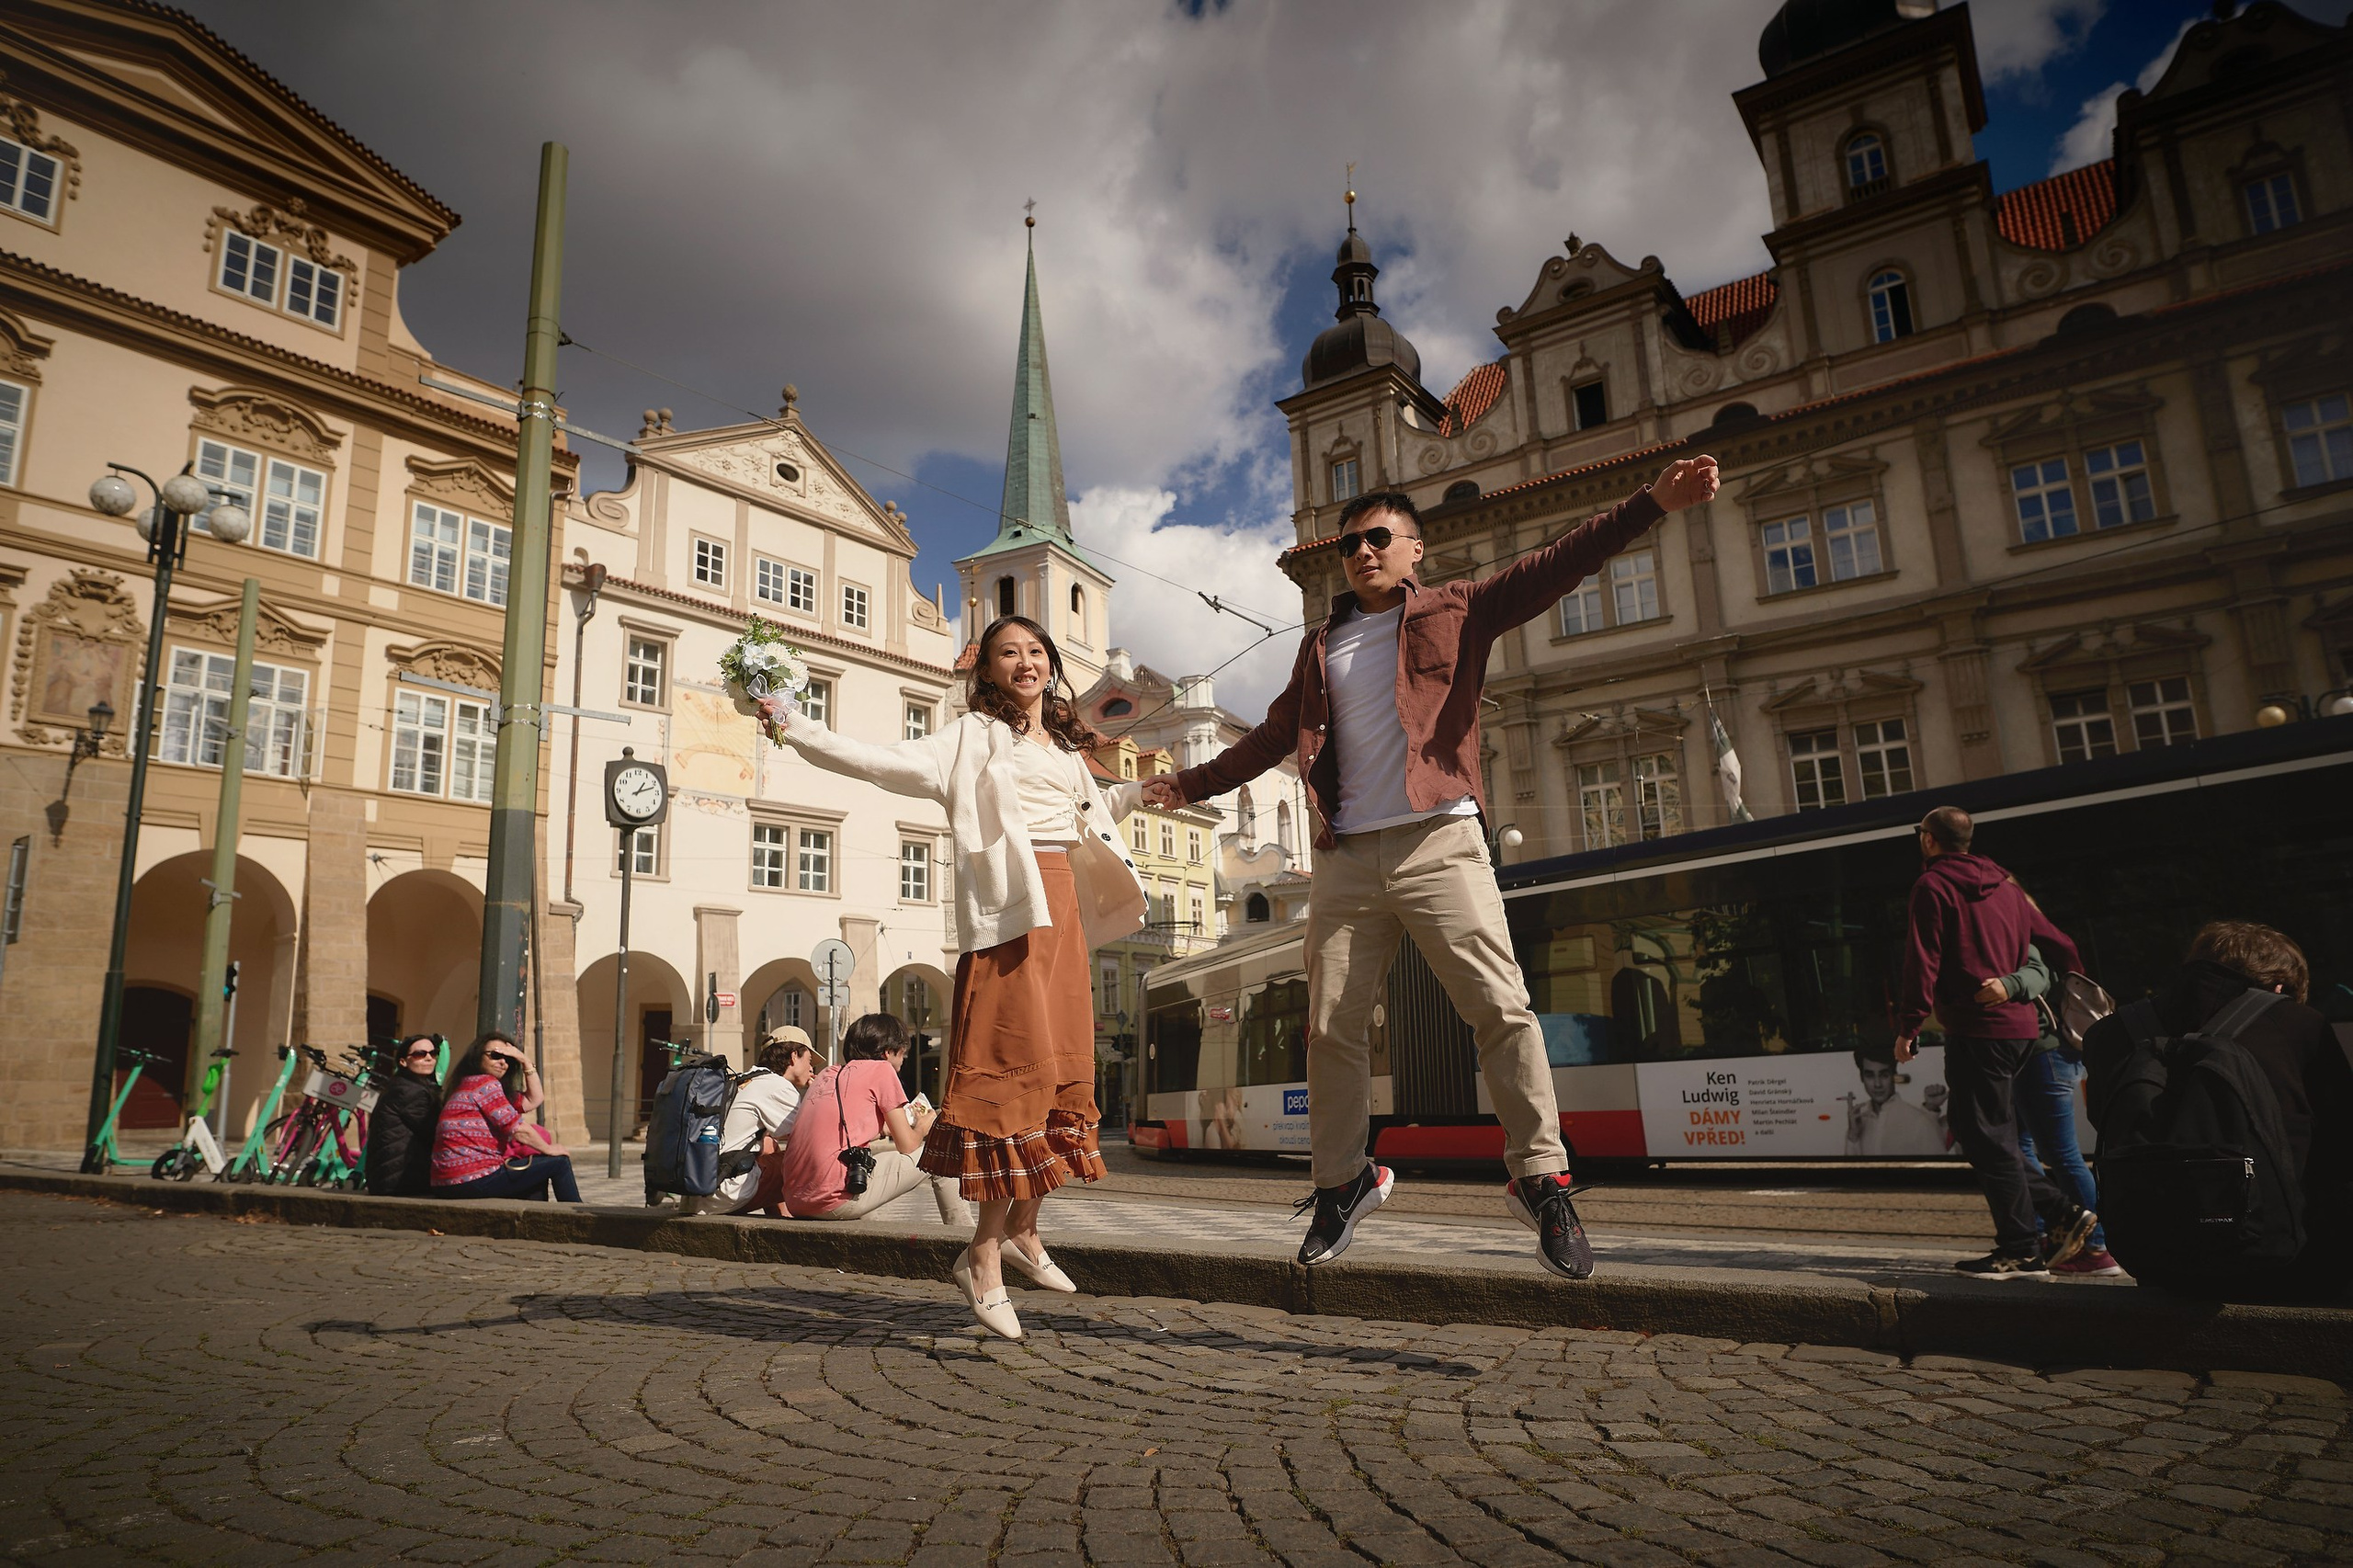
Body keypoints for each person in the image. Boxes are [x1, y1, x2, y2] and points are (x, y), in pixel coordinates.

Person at [1141, 458, 1723, 1278]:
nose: (1363, 552)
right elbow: (1273, 740)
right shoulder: (1321, 646)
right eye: (1350, 545)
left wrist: (1651, 504)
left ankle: (1541, 1180)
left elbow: (1559, 562)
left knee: (1501, 1009)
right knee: (1331, 1028)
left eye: (1379, 538)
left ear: (1415, 550)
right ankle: (1343, 1182)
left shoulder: (1460, 609)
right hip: (1344, 856)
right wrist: (1186, 784)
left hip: (1439, 840)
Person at [761, 615, 1147, 1341]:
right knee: (1009, 1083)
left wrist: (1146, 793)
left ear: (1050, 665)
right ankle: (982, 1258)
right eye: (1009, 653)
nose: (1025, 663)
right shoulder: (970, 737)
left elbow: (1087, 813)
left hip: (1064, 912)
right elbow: (877, 761)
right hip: (1011, 914)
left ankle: (1025, 1233)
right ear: (988, 670)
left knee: (1063, 1077)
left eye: (1036, 652)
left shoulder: (1062, 744)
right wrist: (792, 724)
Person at [2082, 921, 2353, 1298]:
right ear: (2278, 988)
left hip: (2156, 1259)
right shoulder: (2302, 1025)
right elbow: (2340, 1139)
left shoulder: (2108, 1034)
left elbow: (2106, 1123)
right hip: (2290, 1263)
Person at [1893, 806, 2093, 1278]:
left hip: (1977, 1028)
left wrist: (1909, 1025)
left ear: (1928, 840)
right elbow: (2057, 941)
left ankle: (2029, 1240)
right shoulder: (2005, 885)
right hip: (2022, 1031)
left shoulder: (1932, 885)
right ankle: (2044, 1224)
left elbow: (1923, 959)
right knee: (1980, 1131)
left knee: (1987, 1136)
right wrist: (2077, 981)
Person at [1976, 946, 2120, 1277]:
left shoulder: (2026, 942)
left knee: (2061, 1154)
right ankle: (2048, 1235)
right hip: (2038, 1058)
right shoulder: (2040, 940)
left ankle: (2097, 1247)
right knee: (2024, 1148)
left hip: (2045, 1057)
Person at [776, 1013, 970, 1221]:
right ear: (888, 1052)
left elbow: (839, 1132)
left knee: (865, 1170)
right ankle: (966, 1238)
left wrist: (881, 1130)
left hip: (796, 1200)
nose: (903, 1060)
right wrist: (924, 1125)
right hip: (830, 1200)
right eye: (902, 1053)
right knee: (942, 1153)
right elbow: (908, 1146)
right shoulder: (882, 1070)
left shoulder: (829, 1074)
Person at [680, 1027, 819, 1218]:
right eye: (809, 1060)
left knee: (769, 1144)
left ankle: (781, 1218)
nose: (812, 1069)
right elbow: (811, 1137)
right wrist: (819, 1093)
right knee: (809, 1161)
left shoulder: (744, 1080)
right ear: (794, 1056)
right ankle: (791, 1222)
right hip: (726, 1191)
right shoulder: (777, 1087)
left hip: (700, 1191)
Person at [429, 1031, 582, 1203]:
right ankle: (579, 1221)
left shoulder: (464, 1084)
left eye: (508, 1059)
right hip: (473, 1179)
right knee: (558, 1163)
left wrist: (525, 1062)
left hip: (445, 1182)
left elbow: (534, 1099)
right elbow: (519, 1130)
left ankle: (533, 1220)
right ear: (477, 1057)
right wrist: (549, 1149)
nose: (503, 1063)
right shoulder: (485, 1084)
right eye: (495, 1056)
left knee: (535, 1173)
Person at [363, 1034, 441, 1197]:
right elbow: (434, 1133)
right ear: (403, 1062)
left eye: (433, 1053)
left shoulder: (402, 1085)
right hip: (400, 1182)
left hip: (389, 1179)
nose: (429, 1058)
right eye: (420, 1054)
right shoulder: (409, 1092)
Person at [1843, 1050, 1948, 1157]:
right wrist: (1853, 1137)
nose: (1877, 1084)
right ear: (1861, 1078)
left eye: (1884, 1075)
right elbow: (1849, 1172)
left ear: (1894, 1075)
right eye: (1870, 1076)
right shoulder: (1858, 1121)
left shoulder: (1920, 1121)